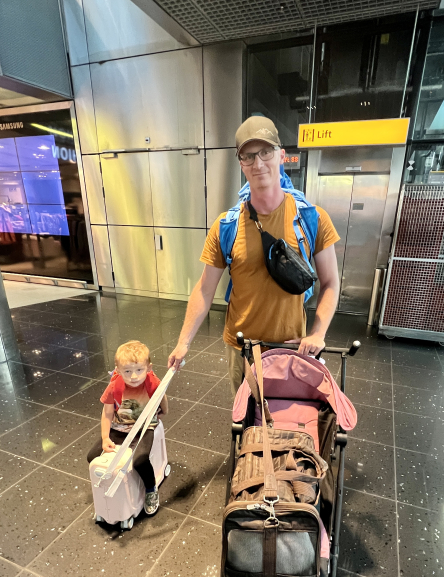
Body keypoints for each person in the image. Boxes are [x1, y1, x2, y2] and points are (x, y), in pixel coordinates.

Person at [168, 115, 341, 395]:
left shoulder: (312, 218)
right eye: (249, 156)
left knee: (287, 426)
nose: (258, 163)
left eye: (266, 152)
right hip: (241, 349)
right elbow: (203, 289)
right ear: (241, 164)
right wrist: (183, 341)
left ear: (281, 156)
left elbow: (331, 283)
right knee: (246, 427)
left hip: (292, 347)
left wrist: (318, 333)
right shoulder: (227, 225)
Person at [87, 340, 168, 515]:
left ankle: (151, 489)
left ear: (148, 367)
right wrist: (105, 437)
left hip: (144, 427)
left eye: (139, 370)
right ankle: (107, 493)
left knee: (139, 460)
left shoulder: (152, 382)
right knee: (92, 456)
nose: (133, 376)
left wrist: (164, 411)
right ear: (117, 370)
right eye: (127, 371)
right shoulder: (114, 386)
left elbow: (162, 396)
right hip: (120, 426)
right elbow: (107, 413)